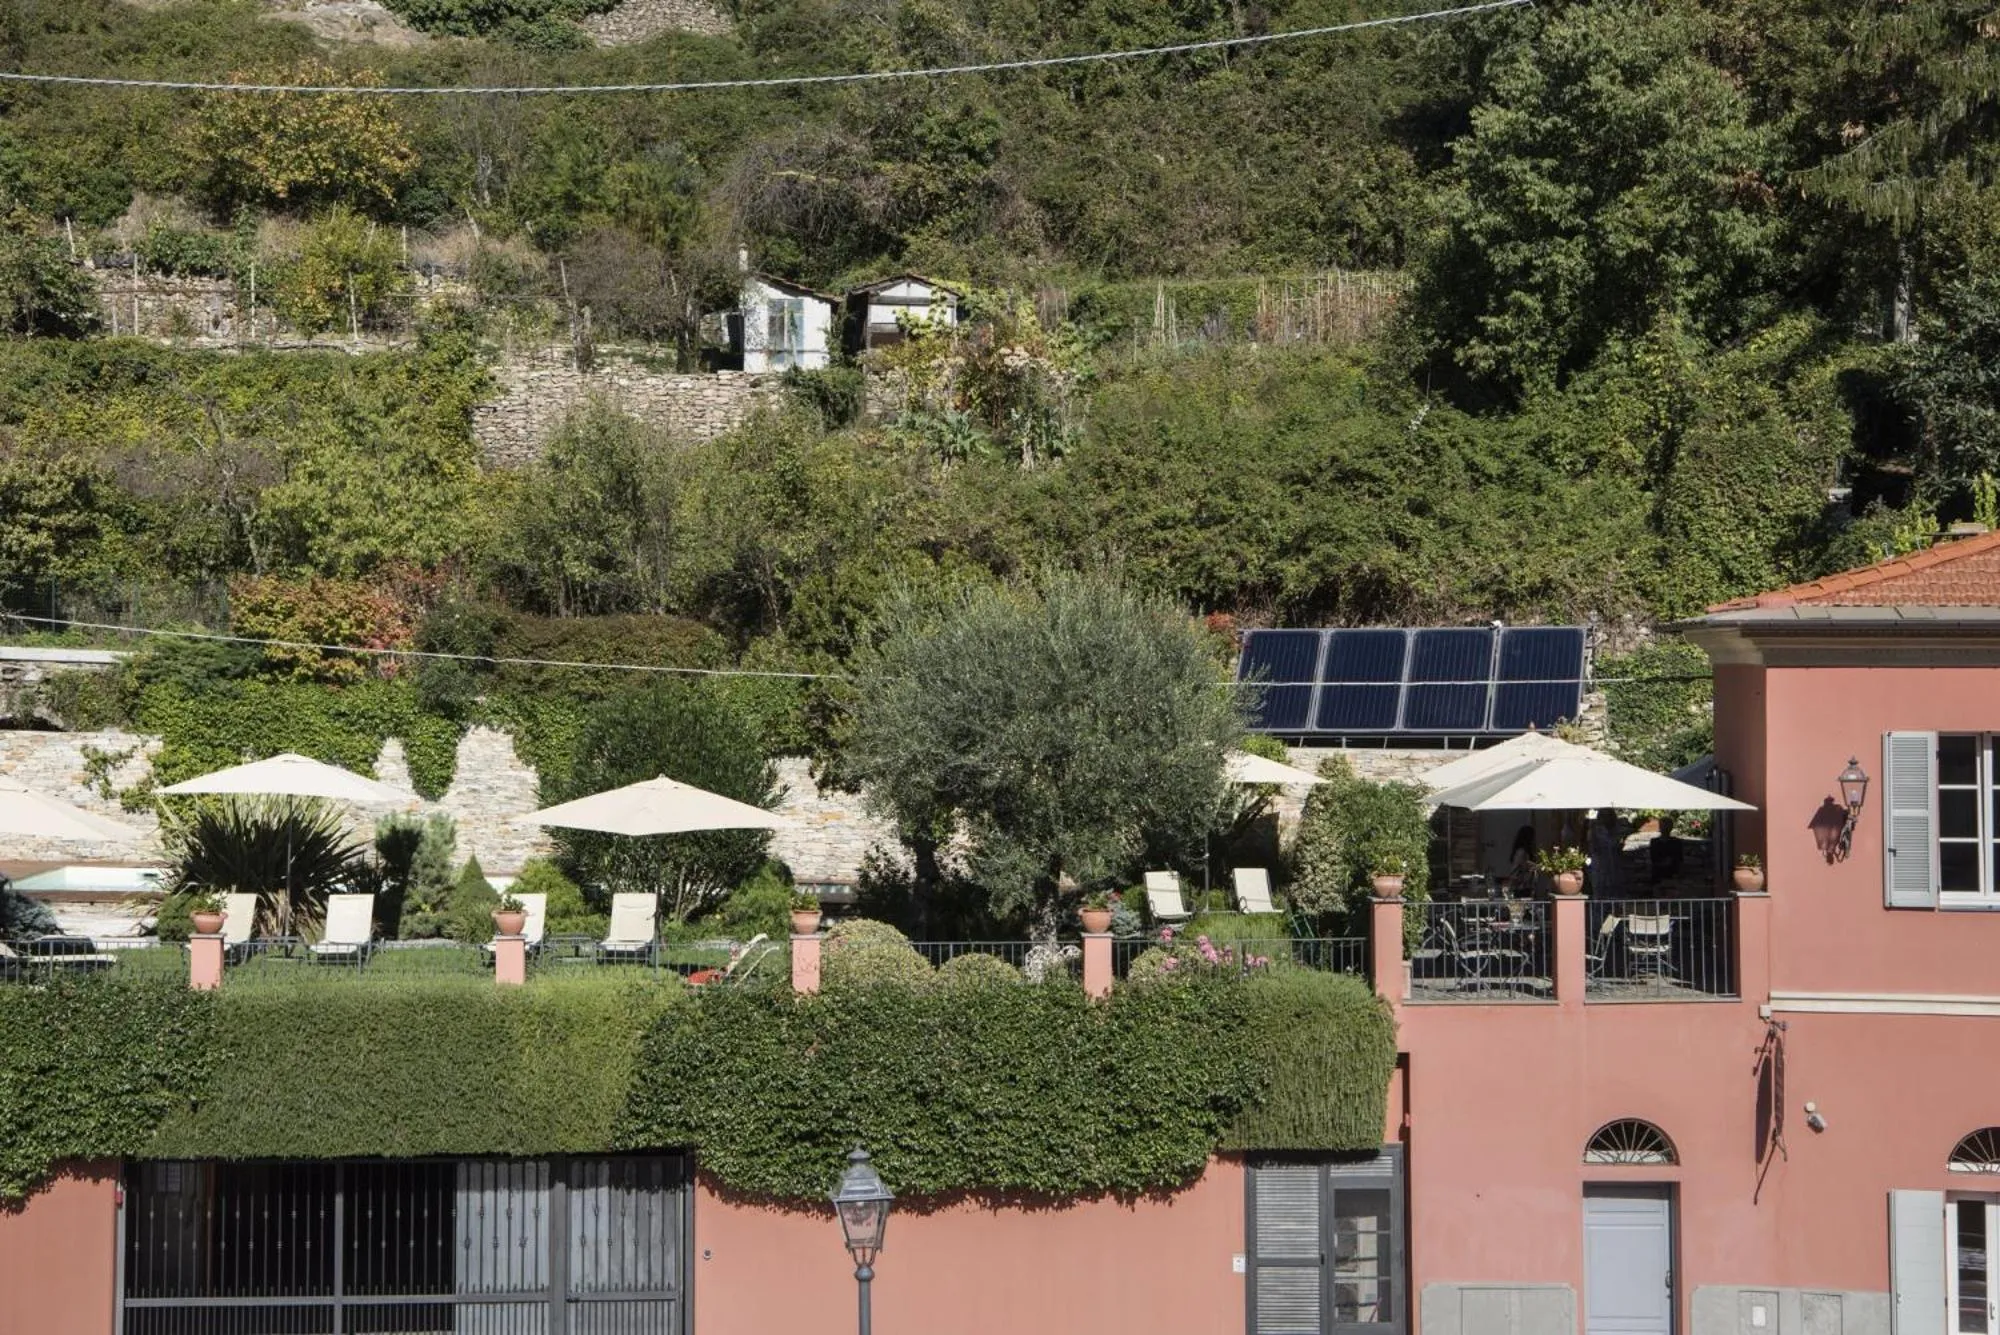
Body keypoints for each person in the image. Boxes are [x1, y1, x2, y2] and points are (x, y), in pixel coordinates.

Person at [1588, 809, 1623, 896]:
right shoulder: (1596, 829)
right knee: (1599, 887)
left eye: (1607, 816)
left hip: (1613, 863)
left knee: (1613, 886)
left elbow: (1615, 844)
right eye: (1603, 815)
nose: (1605, 818)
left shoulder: (1615, 829)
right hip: (1599, 862)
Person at [1649, 815, 1685, 886]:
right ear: (1660, 827)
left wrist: (1679, 876)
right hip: (1658, 876)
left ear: (1671, 828)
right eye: (1663, 826)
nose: (1665, 828)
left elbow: (1680, 860)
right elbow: (1654, 859)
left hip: (1673, 876)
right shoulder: (1654, 842)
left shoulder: (1677, 842)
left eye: (1667, 826)